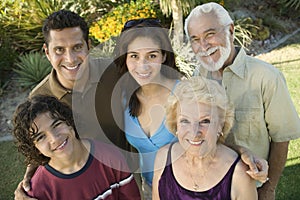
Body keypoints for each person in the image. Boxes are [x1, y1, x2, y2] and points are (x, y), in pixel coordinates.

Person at [14, 9, 139, 199]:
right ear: (47, 52)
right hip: (83, 185)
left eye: (77, 47)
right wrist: (28, 180)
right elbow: (41, 141)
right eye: (59, 50)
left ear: (88, 46)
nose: (70, 59)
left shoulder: (113, 72)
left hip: (124, 175)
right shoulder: (39, 98)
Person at [184, 2, 300, 199]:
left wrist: (268, 189)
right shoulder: (198, 75)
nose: (203, 46)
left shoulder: (267, 77)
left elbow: (281, 139)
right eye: (195, 39)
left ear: (230, 30)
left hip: (251, 188)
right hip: (209, 186)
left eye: (210, 34)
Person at [12, 95, 141, 199]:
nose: (54, 138)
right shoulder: (39, 190)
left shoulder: (111, 158)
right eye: (41, 137)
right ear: (34, 148)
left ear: (69, 121)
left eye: (56, 124)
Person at [152, 76, 258, 200]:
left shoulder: (239, 174)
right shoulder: (163, 158)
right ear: (175, 124)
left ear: (221, 125)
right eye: (185, 121)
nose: (194, 132)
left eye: (205, 121)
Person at [113, 18, 183, 197]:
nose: (142, 66)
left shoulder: (185, 93)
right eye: (134, 56)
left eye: (152, 56)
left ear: (164, 56)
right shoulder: (123, 97)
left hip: (190, 190)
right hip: (150, 191)